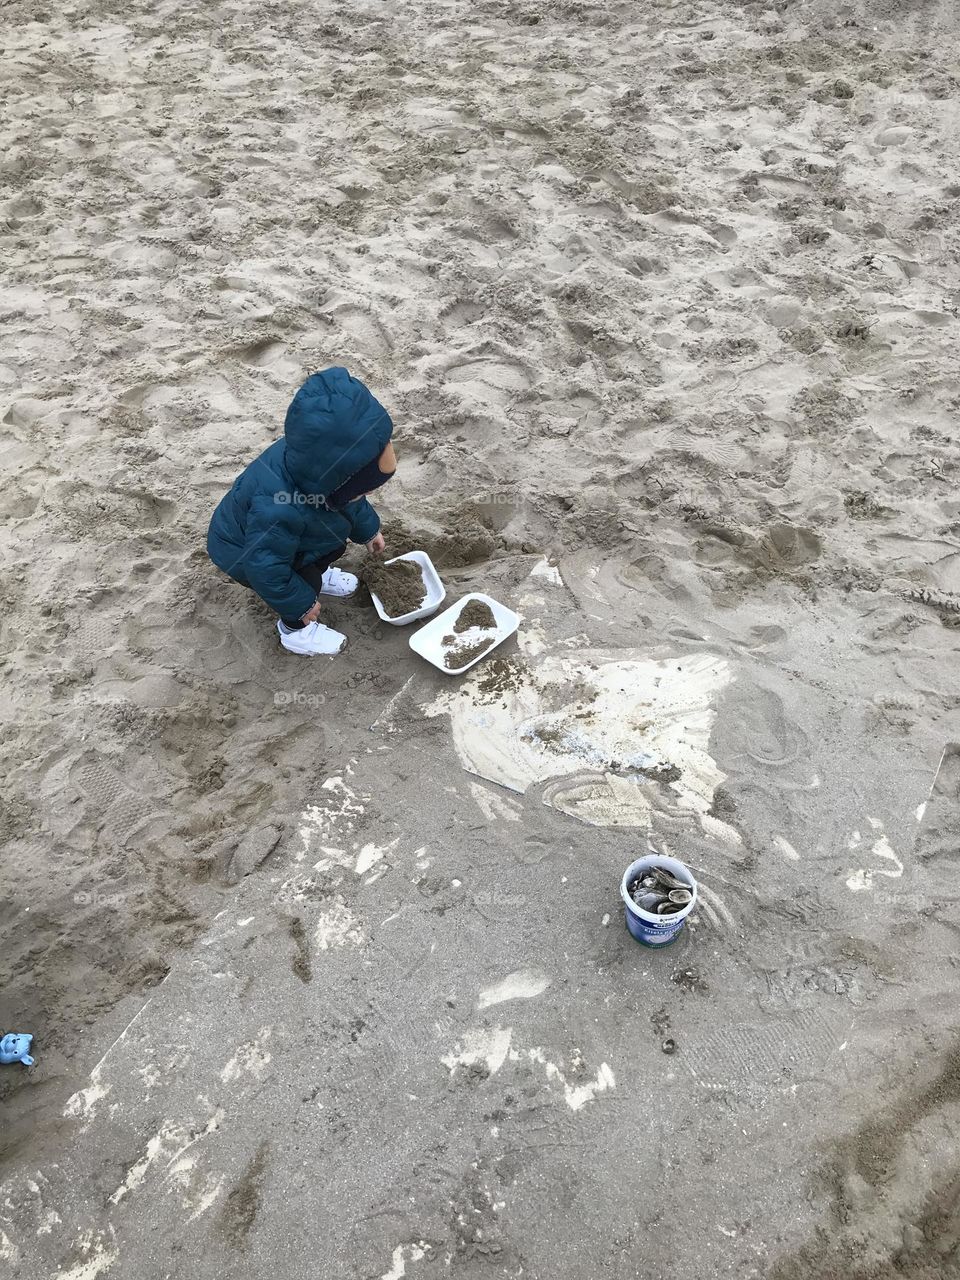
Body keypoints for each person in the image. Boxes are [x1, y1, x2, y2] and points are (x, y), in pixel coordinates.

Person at [207, 367, 396, 655]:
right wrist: (301, 603)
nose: (366, 495)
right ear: (338, 483)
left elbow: (352, 502)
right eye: (364, 490)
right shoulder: (277, 507)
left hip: (290, 537)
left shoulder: (321, 468)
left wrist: (369, 530)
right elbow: (264, 567)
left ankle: (318, 576)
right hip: (242, 552)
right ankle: (295, 632)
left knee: (331, 545)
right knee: (301, 584)